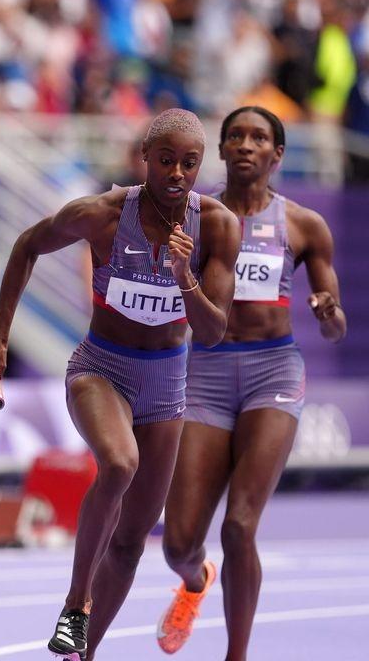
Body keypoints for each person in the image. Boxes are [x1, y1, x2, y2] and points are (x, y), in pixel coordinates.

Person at [0, 108, 241, 661]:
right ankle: (75, 604)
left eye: (189, 164)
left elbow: (212, 331)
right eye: (165, 160)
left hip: (167, 384)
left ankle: (84, 652)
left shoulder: (215, 226)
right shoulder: (100, 215)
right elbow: (25, 245)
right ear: (144, 159)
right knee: (119, 463)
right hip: (102, 368)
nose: (176, 174)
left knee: (130, 542)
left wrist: (184, 278)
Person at [157, 106, 347, 660]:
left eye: (258, 137)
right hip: (205, 376)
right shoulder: (194, 217)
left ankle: (236, 655)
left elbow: (336, 329)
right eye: (234, 135)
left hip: (273, 375)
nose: (245, 144)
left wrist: (328, 309)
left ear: (277, 154)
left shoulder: (304, 226)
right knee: (178, 544)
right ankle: (195, 582)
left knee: (240, 526)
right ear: (220, 150)